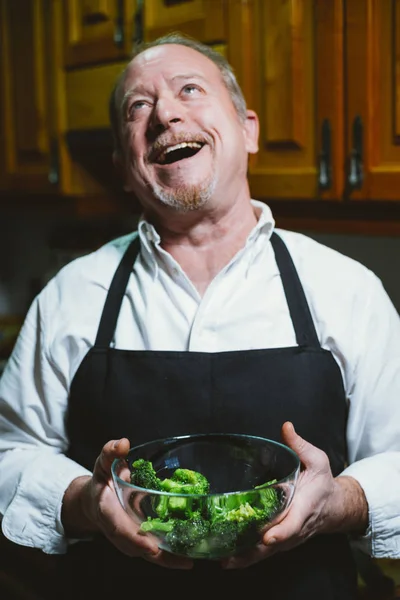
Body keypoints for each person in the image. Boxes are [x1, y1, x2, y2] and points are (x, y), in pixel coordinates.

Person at [0, 32, 400, 599]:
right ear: (122, 165)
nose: (164, 113)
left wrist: (338, 503)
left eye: (190, 89)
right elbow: (8, 453)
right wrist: (84, 503)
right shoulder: (72, 294)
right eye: (138, 108)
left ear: (248, 130)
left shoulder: (346, 289)